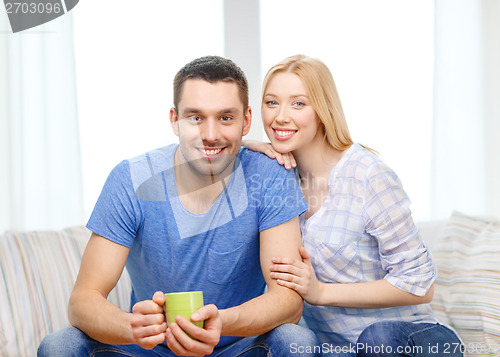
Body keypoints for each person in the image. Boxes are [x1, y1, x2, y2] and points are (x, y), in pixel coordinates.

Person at [38, 56, 320, 357]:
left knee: (298, 341)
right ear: (175, 120)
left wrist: (222, 322)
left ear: (246, 121)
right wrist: (132, 327)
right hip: (148, 350)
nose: (210, 134)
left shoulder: (270, 174)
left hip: (237, 347)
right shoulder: (131, 178)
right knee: (60, 345)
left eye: (226, 118)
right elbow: (83, 300)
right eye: (195, 118)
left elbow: (288, 301)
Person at [244, 54, 462, 357]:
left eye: (298, 103)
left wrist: (321, 292)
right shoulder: (277, 177)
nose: (280, 116)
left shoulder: (368, 174)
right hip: (336, 349)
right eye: (271, 103)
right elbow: (211, 140)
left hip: (413, 340)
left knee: (377, 338)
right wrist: (248, 145)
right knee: (285, 338)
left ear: (322, 110)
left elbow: (420, 285)